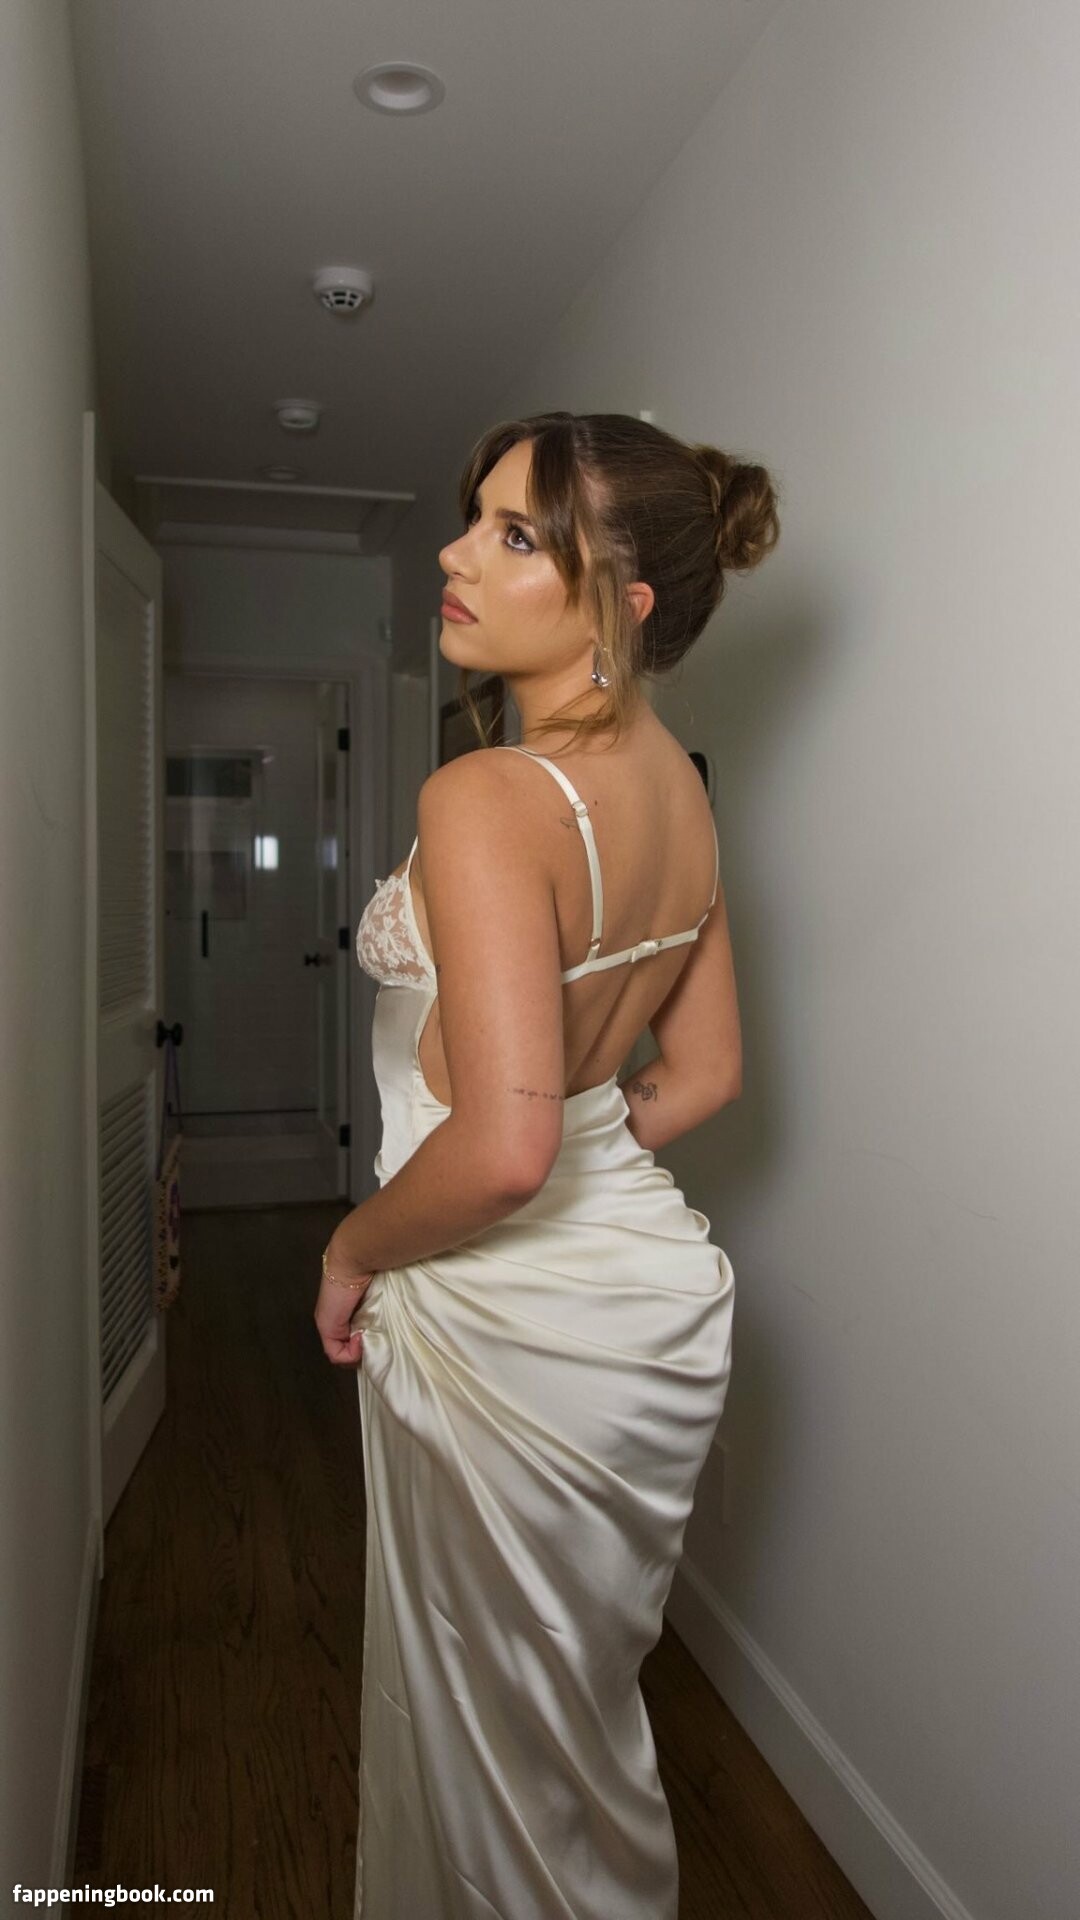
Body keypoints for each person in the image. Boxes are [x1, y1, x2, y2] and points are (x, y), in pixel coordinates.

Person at [316, 410, 780, 1919]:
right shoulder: (681, 791)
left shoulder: (487, 800)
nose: (455, 554)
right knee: (568, 1731)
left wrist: (353, 1250)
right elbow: (699, 1078)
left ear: (619, 608)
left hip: (500, 1323)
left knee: (492, 1742)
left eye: (514, 535)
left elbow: (507, 1150)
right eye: (478, 516)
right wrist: (575, 1131)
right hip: (634, 1310)